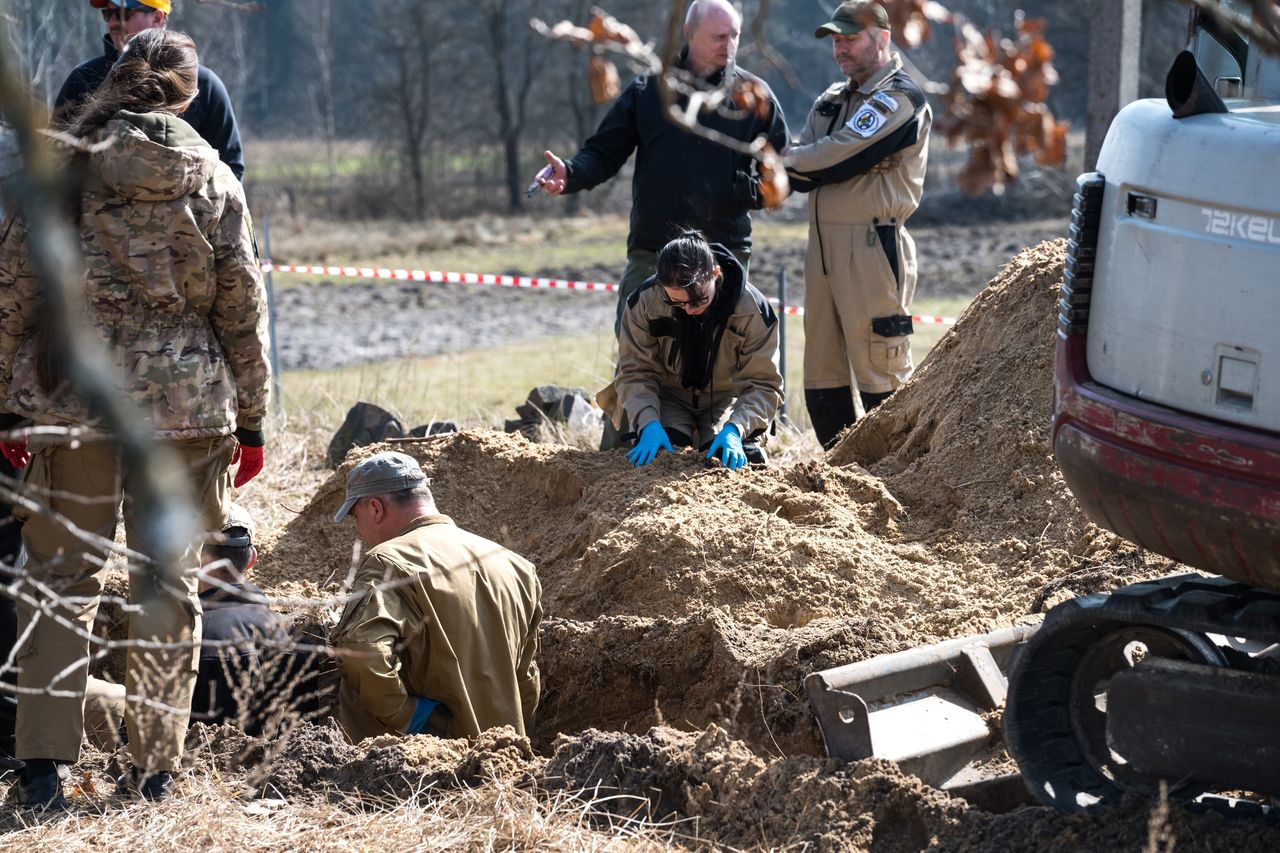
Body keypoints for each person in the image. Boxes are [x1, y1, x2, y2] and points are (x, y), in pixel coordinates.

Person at [0, 29, 271, 809]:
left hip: (72, 402)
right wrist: (252, 423)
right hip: (187, 414)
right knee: (169, 584)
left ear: (113, 84)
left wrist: (5, 402)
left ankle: (43, 769)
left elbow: (13, 291)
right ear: (188, 95)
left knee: (58, 580)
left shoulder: (62, 172)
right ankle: (155, 772)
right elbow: (242, 312)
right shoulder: (214, 177)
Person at [537, 0, 788, 334]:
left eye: (735, 36)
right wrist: (570, 173)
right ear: (689, 33)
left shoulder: (753, 98)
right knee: (637, 353)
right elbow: (604, 152)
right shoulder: (648, 92)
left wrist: (752, 192)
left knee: (723, 357)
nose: (728, 46)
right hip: (653, 251)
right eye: (718, 37)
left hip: (723, 252)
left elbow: (783, 168)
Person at [785, 1, 932, 449]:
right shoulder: (831, 100)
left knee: (880, 366)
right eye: (836, 40)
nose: (840, 49)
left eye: (850, 39)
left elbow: (839, 156)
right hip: (821, 248)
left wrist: (796, 160)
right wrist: (802, 162)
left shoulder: (902, 97)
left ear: (882, 38)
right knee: (821, 369)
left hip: (872, 246)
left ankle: (899, 472)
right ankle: (839, 470)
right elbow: (803, 172)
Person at [330, 452, 542, 743]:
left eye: (357, 518)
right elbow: (527, 679)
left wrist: (410, 718)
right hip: (501, 756)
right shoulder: (517, 567)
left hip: (421, 761)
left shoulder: (388, 562)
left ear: (375, 508)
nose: (360, 533)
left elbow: (361, 652)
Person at [598, 231, 783, 470]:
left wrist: (736, 428)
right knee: (661, 461)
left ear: (716, 273)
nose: (690, 310)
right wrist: (648, 423)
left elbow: (764, 384)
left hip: (726, 401)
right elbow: (635, 372)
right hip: (668, 398)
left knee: (736, 462)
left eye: (699, 300)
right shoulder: (644, 302)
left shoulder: (754, 310)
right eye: (677, 302)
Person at [54, 0, 245, 181]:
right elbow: (51, 160)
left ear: (157, 18)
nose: (112, 22)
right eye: (108, 13)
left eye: (123, 13)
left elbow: (231, 170)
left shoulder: (204, 85)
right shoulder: (83, 78)